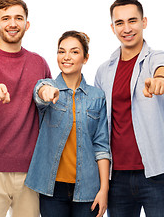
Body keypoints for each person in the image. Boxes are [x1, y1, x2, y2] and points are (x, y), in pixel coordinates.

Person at [94, 0, 164, 217]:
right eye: (120, 23)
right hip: (117, 178)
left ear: (144, 22)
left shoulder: (156, 58)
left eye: (133, 20)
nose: (127, 28)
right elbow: (100, 125)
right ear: (112, 27)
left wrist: (160, 80)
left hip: (157, 173)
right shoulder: (104, 71)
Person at [0, 0, 51, 217]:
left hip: (30, 171)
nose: (12, 24)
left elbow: (47, 105)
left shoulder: (39, 63)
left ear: (27, 24)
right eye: (5, 18)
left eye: (18, 18)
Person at [25, 31, 110, 217]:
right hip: (52, 189)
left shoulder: (97, 97)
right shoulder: (47, 86)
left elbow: (102, 145)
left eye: (74, 52)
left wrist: (104, 190)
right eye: (61, 51)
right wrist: (45, 92)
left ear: (85, 58)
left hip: (88, 188)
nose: (66, 57)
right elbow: (40, 93)